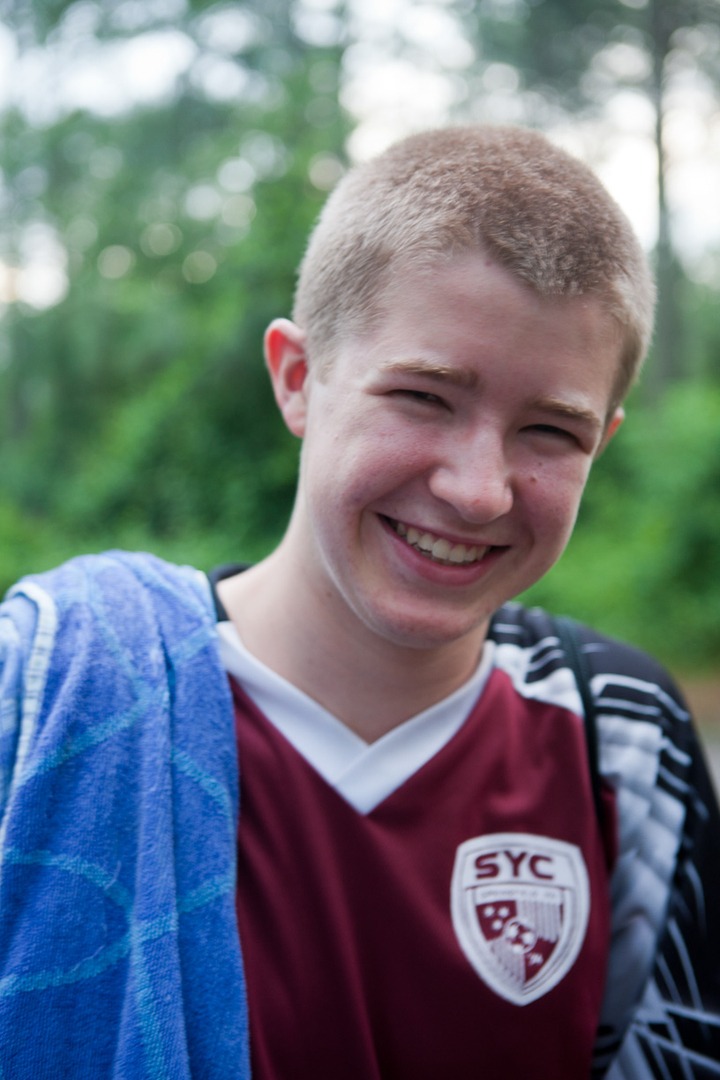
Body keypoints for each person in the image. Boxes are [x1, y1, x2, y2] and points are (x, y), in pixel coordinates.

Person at [0, 126, 718, 1079]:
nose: (478, 489)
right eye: (424, 397)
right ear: (299, 379)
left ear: (604, 444)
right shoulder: (47, 694)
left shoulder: (619, 739)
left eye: (550, 430)